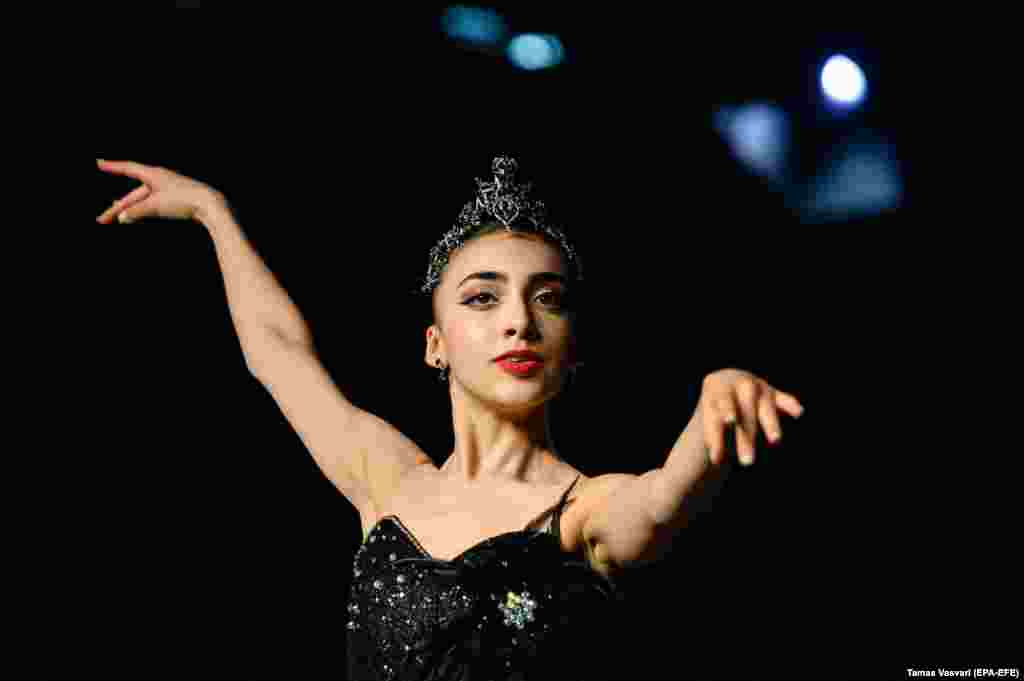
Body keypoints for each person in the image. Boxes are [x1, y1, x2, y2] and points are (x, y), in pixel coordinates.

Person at [97, 155, 804, 679]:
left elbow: (660, 500)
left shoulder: (586, 511)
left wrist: (714, 413)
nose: (519, 322)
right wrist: (214, 213)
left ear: (573, 351)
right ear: (435, 344)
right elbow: (279, 353)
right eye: (482, 298)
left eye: (548, 299)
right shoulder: (389, 482)